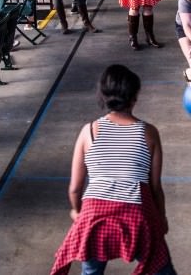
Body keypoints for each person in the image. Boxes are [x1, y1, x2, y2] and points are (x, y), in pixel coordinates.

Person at [50, 64, 176, 275]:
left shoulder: (88, 131)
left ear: (103, 96)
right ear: (135, 97)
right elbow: (155, 188)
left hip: (94, 216)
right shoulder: (149, 133)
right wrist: (161, 219)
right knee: (162, 269)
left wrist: (76, 211)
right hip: (137, 215)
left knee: (91, 269)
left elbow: (74, 188)